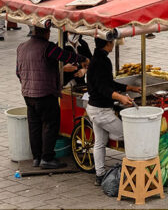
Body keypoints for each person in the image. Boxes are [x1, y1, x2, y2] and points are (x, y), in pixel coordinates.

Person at [16, 25, 85, 169]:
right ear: (47, 33)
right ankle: (47, 158)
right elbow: (66, 56)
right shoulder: (48, 47)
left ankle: (37, 158)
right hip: (45, 93)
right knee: (50, 124)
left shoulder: (21, 47)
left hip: (27, 94)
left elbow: (18, 72)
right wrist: (83, 59)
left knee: (34, 125)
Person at [86, 36, 137, 183]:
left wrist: (128, 88)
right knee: (127, 135)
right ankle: (131, 170)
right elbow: (104, 88)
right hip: (101, 111)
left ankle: (100, 175)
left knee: (100, 143)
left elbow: (109, 83)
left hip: (94, 108)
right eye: (112, 42)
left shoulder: (96, 58)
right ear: (108, 43)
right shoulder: (102, 61)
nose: (113, 44)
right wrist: (121, 98)